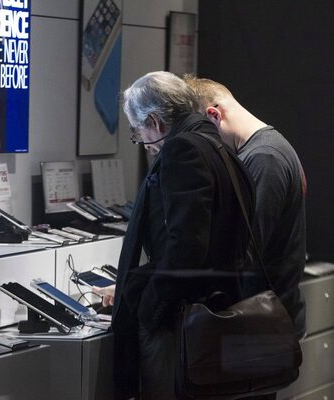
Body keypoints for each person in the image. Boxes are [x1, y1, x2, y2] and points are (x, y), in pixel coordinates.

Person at [96, 71, 255, 399]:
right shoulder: (218, 145)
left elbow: (186, 245)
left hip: (182, 319)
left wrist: (151, 307)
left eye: (138, 131)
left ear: (154, 121)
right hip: (218, 308)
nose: (143, 142)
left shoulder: (183, 149)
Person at [184, 76, 307, 340]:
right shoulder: (266, 150)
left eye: (201, 134)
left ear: (214, 116)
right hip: (263, 321)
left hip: (263, 326)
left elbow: (245, 253)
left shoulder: (264, 158)